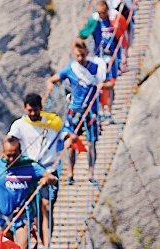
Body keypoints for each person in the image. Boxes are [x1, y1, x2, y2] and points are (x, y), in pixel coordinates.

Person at [8, 93, 64, 249]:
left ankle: (46, 247)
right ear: (25, 108)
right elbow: (9, 142)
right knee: (30, 210)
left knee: (46, 207)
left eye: (36, 110)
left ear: (41, 108)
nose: (33, 114)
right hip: (28, 171)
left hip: (48, 170)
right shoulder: (19, 125)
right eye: (30, 110)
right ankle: (35, 236)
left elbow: (66, 133)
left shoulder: (52, 122)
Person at [45, 39, 106, 185]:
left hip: (91, 112)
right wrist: (50, 86)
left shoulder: (96, 68)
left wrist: (102, 88)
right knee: (72, 143)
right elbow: (53, 79)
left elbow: (106, 82)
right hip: (75, 111)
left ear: (87, 54)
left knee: (91, 143)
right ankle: (71, 174)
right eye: (77, 56)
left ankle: (91, 173)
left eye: (82, 56)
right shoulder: (70, 69)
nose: (80, 59)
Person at [91, 0, 128, 121]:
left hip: (112, 57)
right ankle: (102, 109)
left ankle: (109, 110)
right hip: (100, 59)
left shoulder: (114, 19)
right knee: (100, 84)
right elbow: (86, 32)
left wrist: (124, 56)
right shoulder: (96, 23)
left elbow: (122, 37)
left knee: (110, 84)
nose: (102, 15)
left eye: (103, 12)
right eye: (100, 13)